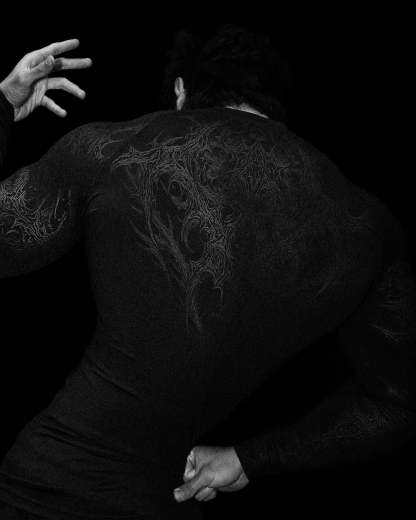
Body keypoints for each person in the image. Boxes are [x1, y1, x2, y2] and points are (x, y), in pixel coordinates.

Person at [0, 25, 415, 520]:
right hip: (165, 496)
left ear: (181, 90)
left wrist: (3, 105)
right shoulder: (366, 225)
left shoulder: (116, 148)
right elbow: (397, 405)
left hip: (50, 488)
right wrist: (249, 458)